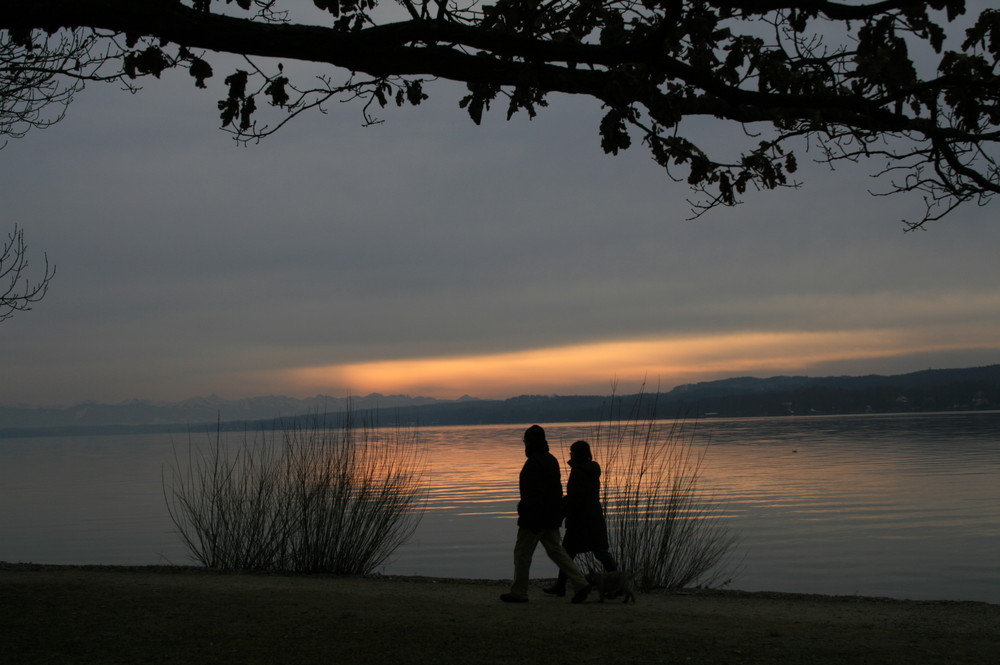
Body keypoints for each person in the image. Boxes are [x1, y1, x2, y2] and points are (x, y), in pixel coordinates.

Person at [500, 425, 593, 604]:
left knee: (522, 554)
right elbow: (555, 490)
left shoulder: (533, 462)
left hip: (534, 518)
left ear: (529, 442)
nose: (524, 443)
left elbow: (532, 494)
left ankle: (519, 592)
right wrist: (555, 514)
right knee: (556, 551)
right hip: (550, 516)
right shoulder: (551, 459)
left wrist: (526, 512)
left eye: (525, 440)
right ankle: (581, 583)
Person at [543, 439, 618, 597]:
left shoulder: (578, 471)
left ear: (577, 453)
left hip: (580, 519)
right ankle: (617, 581)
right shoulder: (592, 469)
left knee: (567, 553)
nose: (570, 453)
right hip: (594, 516)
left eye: (572, 451)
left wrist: (559, 512)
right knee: (601, 551)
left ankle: (561, 586)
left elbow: (574, 497)